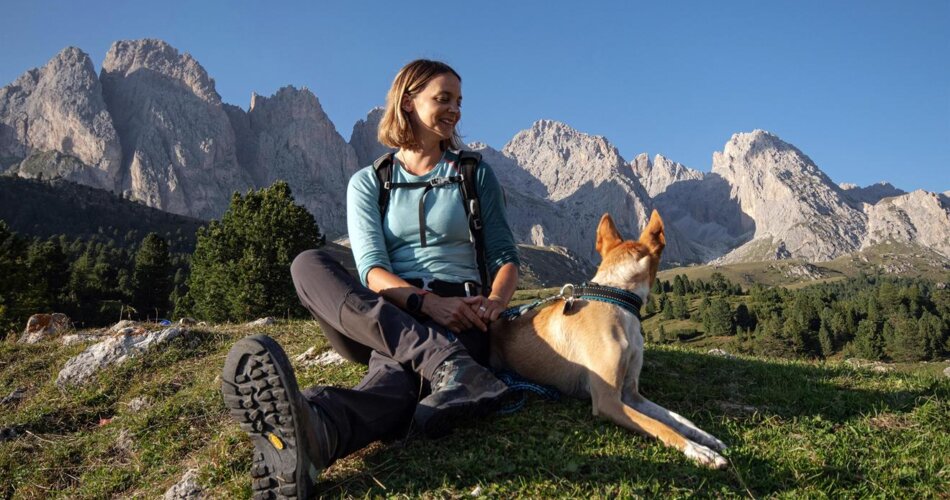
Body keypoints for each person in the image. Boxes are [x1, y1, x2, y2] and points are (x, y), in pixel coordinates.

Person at [221, 59, 521, 498]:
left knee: (397, 382)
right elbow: (372, 271)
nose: (455, 110)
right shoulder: (369, 182)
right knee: (306, 264)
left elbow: (504, 256)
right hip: (387, 313)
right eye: (443, 99)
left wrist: (495, 301)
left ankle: (317, 429)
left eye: (459, 101)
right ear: (407, 101)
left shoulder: (474, 174)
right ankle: (447, 365)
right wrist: (422, 303)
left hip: (459, 315)